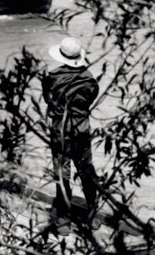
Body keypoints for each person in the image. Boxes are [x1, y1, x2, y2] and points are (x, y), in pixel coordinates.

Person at [42, 36, 99, 228]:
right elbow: (90, 99)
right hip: (82, 128)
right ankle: (92, 214)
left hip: (60, 130)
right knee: (86, 170)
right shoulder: (89, 78)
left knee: (62, 172)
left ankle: (64, 219)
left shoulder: (52, 77)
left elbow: (48, 100)